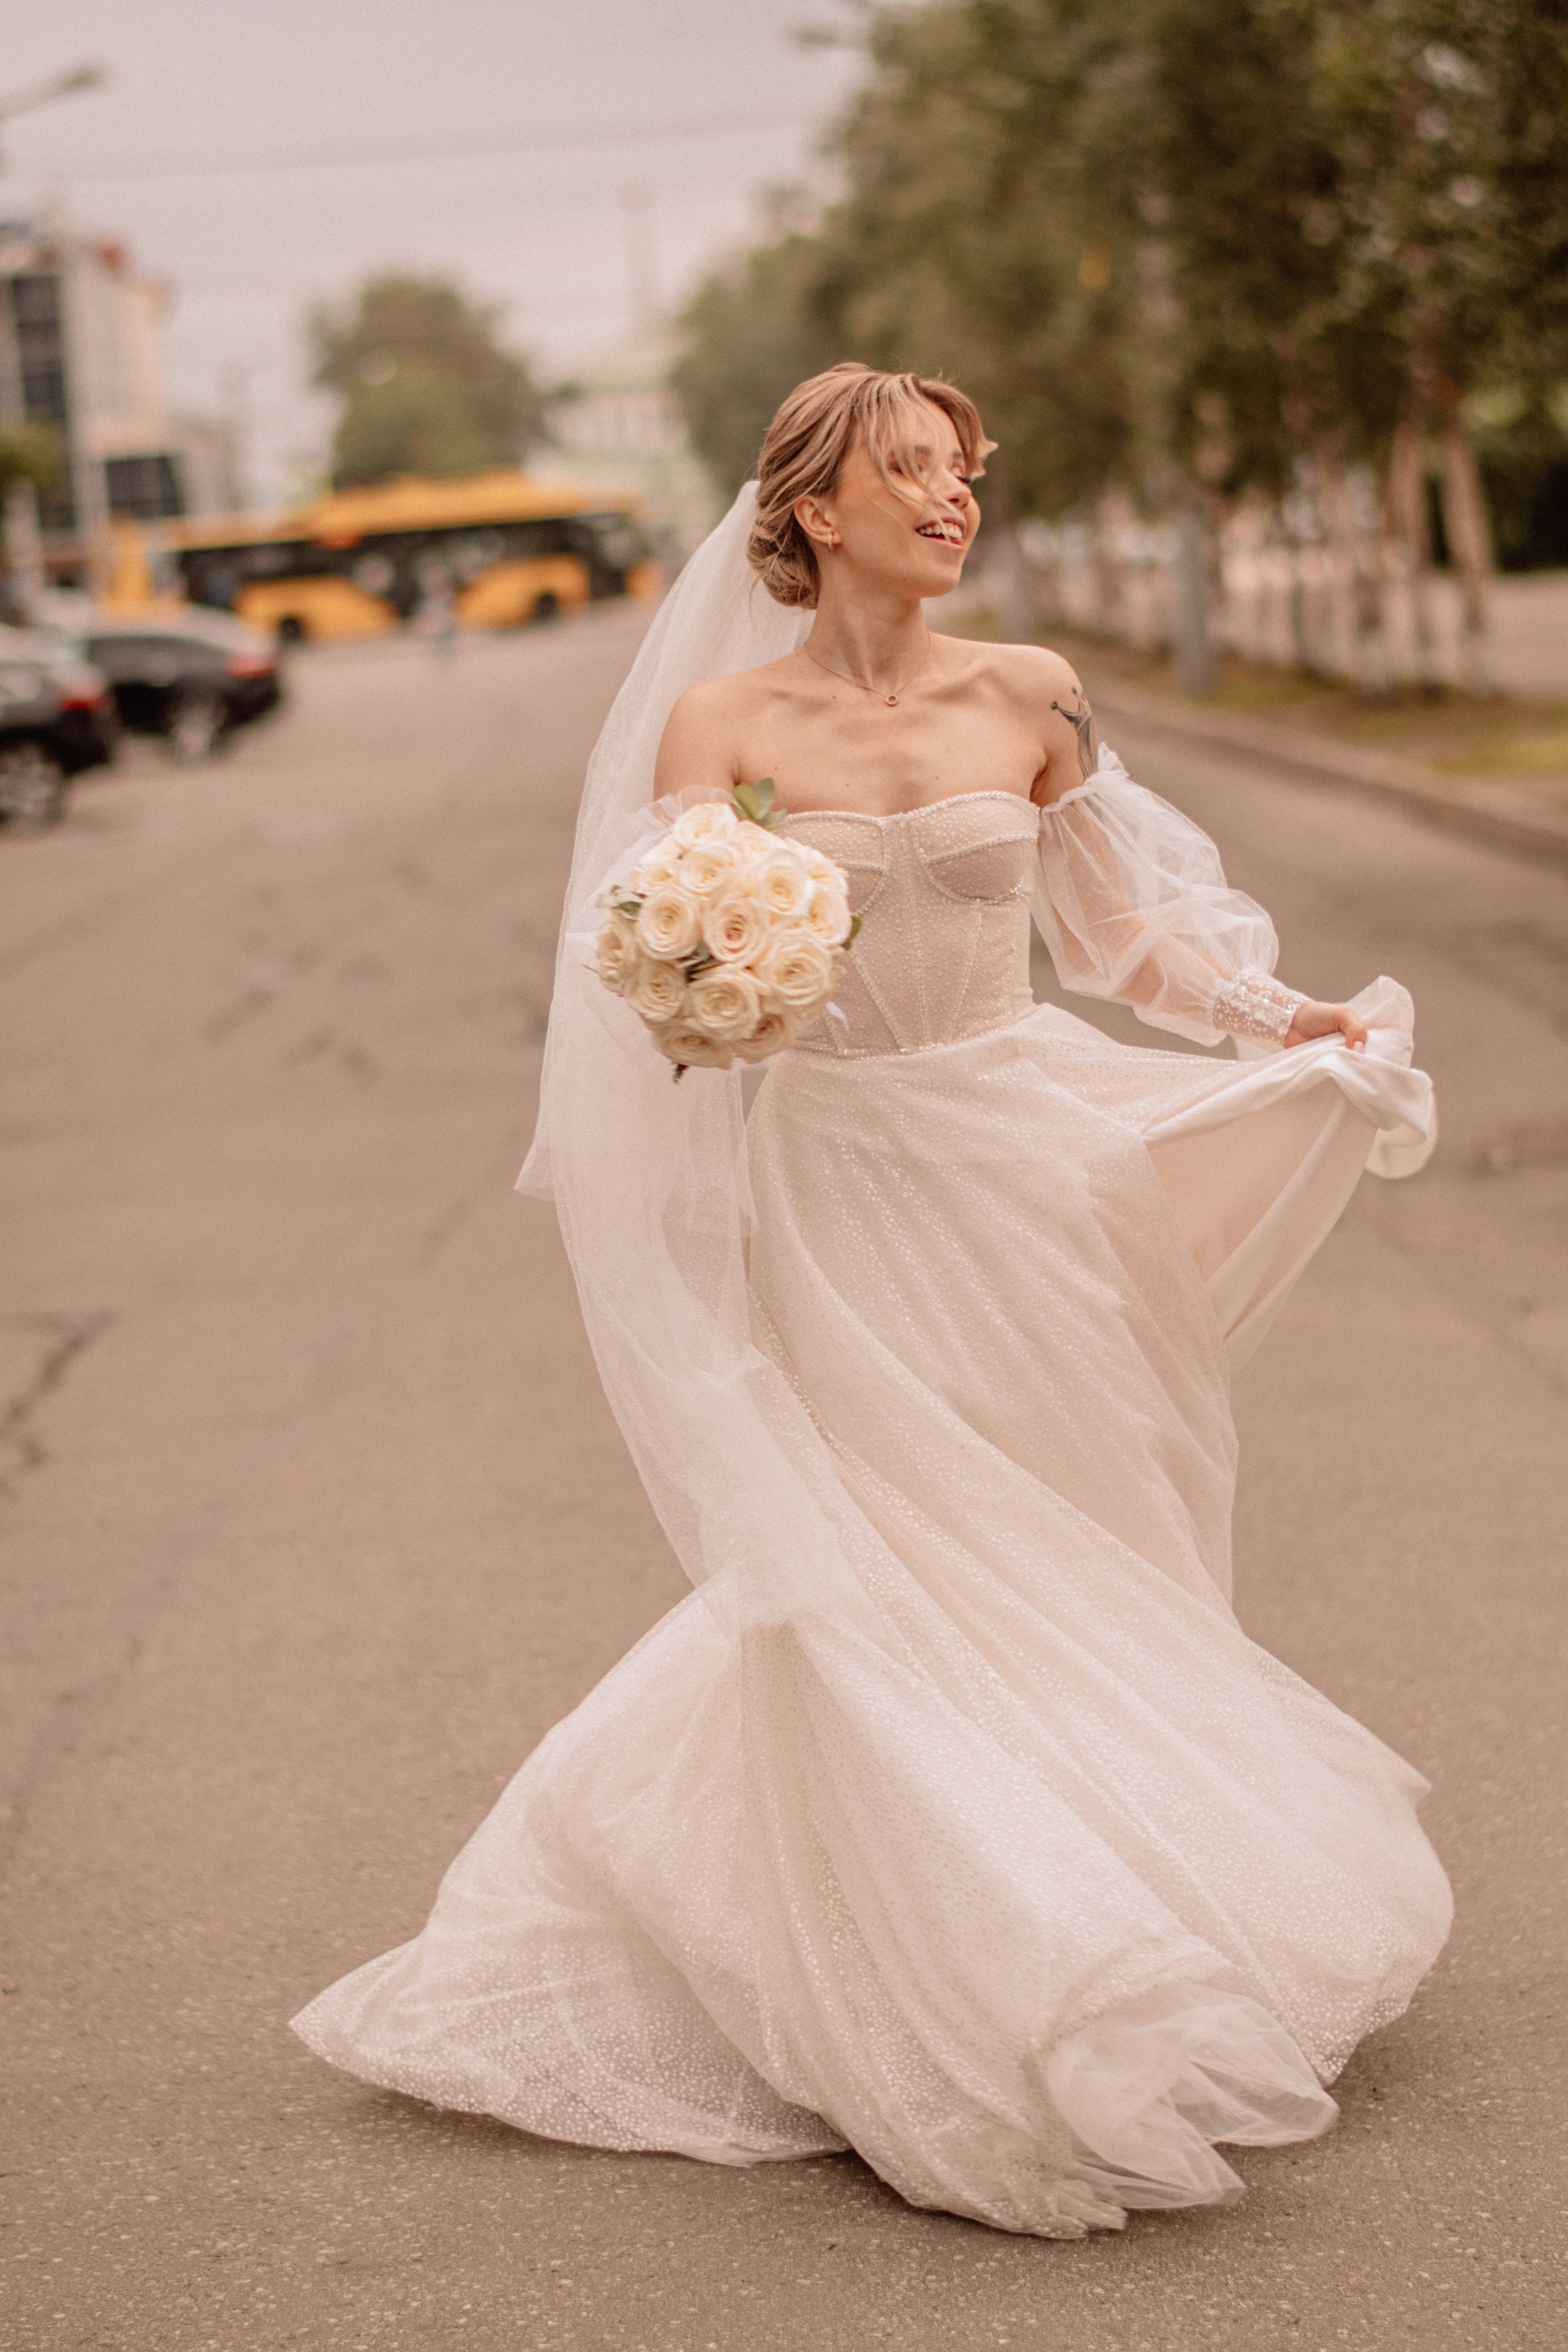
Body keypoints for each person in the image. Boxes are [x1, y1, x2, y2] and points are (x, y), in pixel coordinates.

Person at [294, 364, 1450, 2238]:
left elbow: (1123, 939)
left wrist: (1279, 1015)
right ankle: (990, 1958)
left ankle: (1130, 1883)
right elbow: (662, 972)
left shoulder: (1033, 694)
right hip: (826, 1191)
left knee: (1085, 1537)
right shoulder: (724, 719)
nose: (948, 501)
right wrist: (705, 1007)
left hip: (1034, 1176)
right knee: (877, 1563)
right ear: (813, 511)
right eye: (906, 476)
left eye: (963, 474)